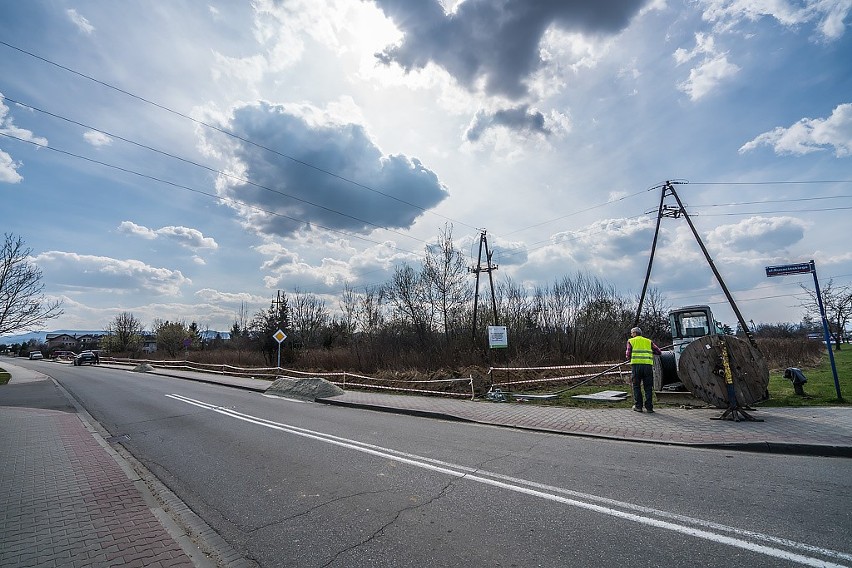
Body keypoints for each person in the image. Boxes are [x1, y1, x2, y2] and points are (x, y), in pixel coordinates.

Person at [626, 327, 662, 413]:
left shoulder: (631, 341)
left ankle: (638, 406)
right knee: (648, 387)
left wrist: (629, 359)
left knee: (636, 386)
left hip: (636, 366)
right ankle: (649, 407)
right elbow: (658, 352)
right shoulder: (648, 341)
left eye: (632, 333)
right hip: (647, 366)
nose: (631, 335)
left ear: (634, 333)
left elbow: (628, 354)